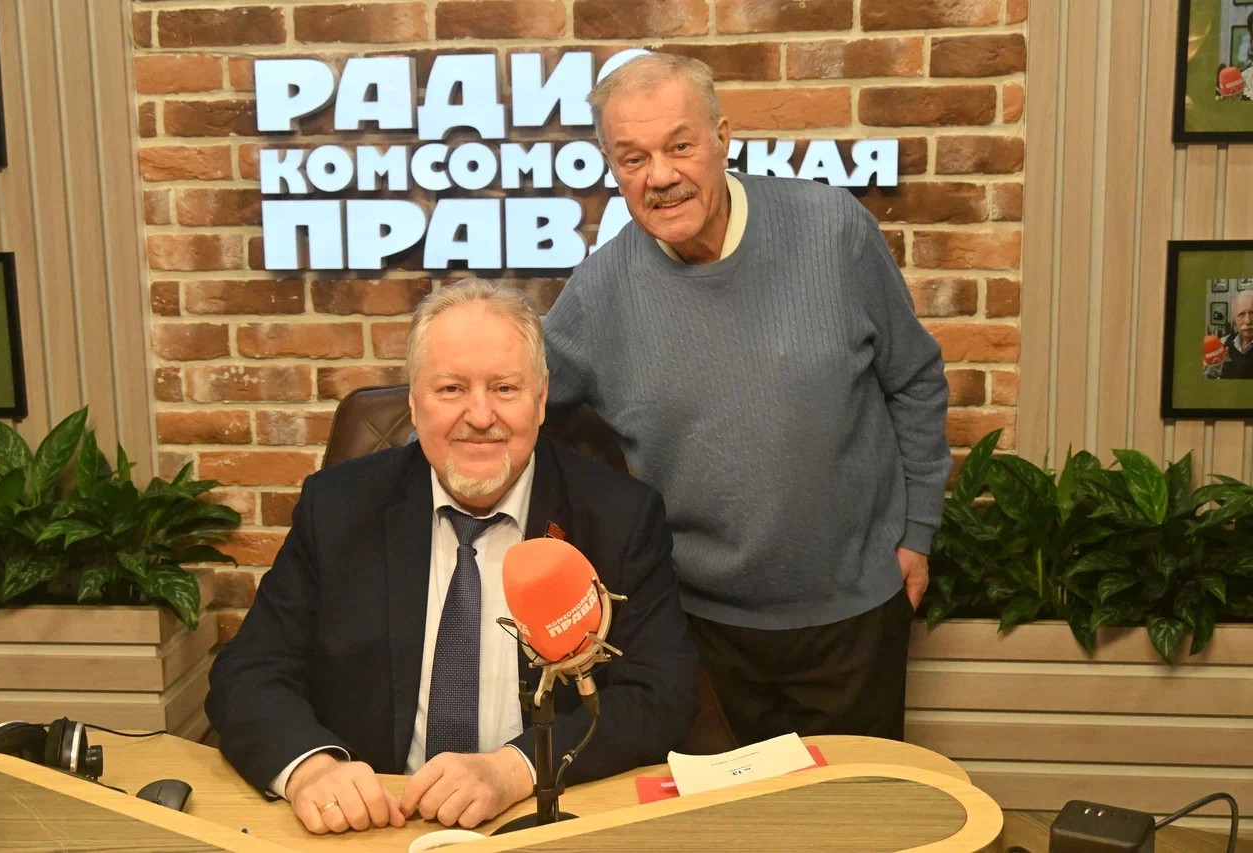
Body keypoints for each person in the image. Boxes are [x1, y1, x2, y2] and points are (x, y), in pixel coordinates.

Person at [543, 54, 952, 748]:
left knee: (856, 806)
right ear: (612, 168)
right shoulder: (600, 290)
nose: (660, 176)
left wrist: (917, 530)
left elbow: (914, 378)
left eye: (680, 146)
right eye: (633, 158)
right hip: (700, 630)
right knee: (728, 811)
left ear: (722, 137)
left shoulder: (832, 229)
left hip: (855, 611)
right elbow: (517, 399)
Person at [206, 279, 697, 834]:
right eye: (451, 389)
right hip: (377, 824)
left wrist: (514, 769)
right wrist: (312, 770)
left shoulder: (619, 516)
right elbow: (249, 671)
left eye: (505, 388)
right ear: (415, 404)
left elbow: (662, 693)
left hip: (539, 820)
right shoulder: (338, 507)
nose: (480, 415)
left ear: (540, 401)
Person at [1206, 290, 1253, 379]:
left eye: (1252, 313)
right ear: (1234, 318)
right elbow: (1208, 375)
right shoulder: (1223, 342)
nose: (1248, 321)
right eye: (1241, 314)